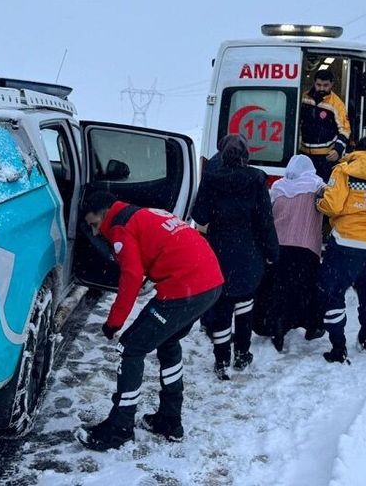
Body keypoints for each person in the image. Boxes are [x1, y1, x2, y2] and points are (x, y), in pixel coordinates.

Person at [76, 192, 223, 451]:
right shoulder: (144, 214)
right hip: (210, 282)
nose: (96, 233)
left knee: (131, 348)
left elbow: (131, 276)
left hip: (185, 288)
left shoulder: (121, 228)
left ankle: (119, 429)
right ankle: (169, 419)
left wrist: (114, 322)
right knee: (168, 341)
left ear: (106, 213)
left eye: (95, 225)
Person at [192, 134, 279, 380]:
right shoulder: (256, 179)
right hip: (249, 254)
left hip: (219, 253)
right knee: (245, 305)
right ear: (246, 155)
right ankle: (242, 353)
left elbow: (200, 216)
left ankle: (221, 361)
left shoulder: (211, 179)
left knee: (222, 307)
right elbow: (265, 222)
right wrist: (272, 252)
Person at [309, 137, 366, 364]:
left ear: (356, 151)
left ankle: (338, 347)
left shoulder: (343, 171)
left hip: (345, 246)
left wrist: (318, 203)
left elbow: (333, 206)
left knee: (332, 294)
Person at [260, 154, 326, 352]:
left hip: (280, 246)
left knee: (279, 289)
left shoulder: (278, 187)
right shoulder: (318, 186)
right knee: (307, 289)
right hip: (307, 247)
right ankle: (311, 326)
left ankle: (278, 325)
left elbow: (268, 213)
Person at [299, 69, 351, 181]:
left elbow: (345, 130)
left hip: (325, 157)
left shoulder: (337, 104)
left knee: (324, 189)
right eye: (318, 85)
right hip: (304, 153)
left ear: (332, 84)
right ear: (314, 83)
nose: (321, 88)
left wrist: (338, 150)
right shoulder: (303, 97)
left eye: (325, 85)